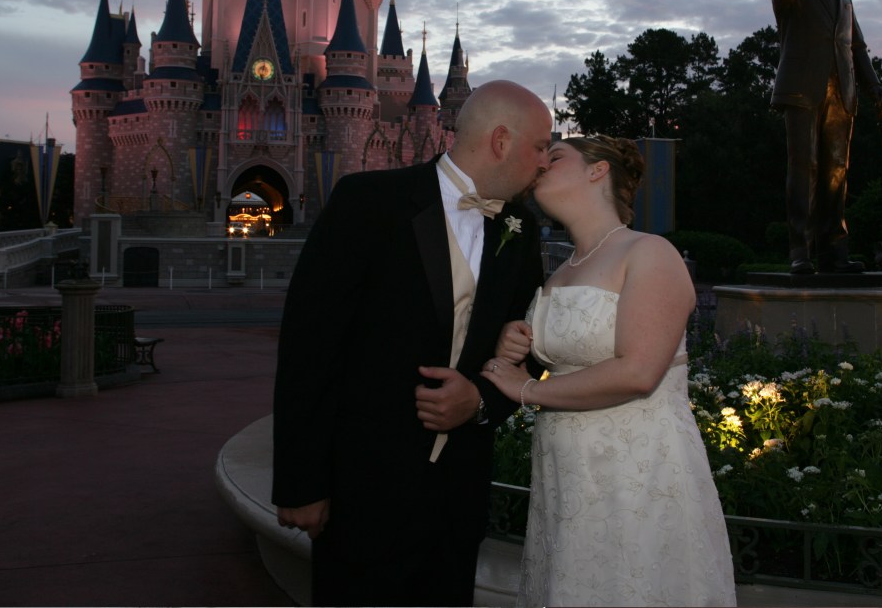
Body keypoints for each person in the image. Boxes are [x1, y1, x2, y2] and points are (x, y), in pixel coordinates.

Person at [271, 79, 553, 606]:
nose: (544, 162)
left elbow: (532, 344)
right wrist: (301, 483)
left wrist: (480, 402)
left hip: (458, 503)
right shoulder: (367, 203)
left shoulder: (521, 230)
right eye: (540, 146)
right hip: (364, 494)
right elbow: (310, 349)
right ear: (500, 140)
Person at [481, 135, 738, 607]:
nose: (540, 162)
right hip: (565, 476)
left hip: (636, 474)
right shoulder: (559, 272)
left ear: (597, 171)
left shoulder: (649, 252)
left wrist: (525, 390)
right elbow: (559, 361)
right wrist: (512, 348)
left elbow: (639, 372)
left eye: (554, 156)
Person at [770, 0, 882, 275]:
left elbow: (856, 47)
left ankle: (834, 250)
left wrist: (876, 90)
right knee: (803, 168)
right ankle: (800, 250)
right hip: (802, 88)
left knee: (837, 172)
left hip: (842, 92)